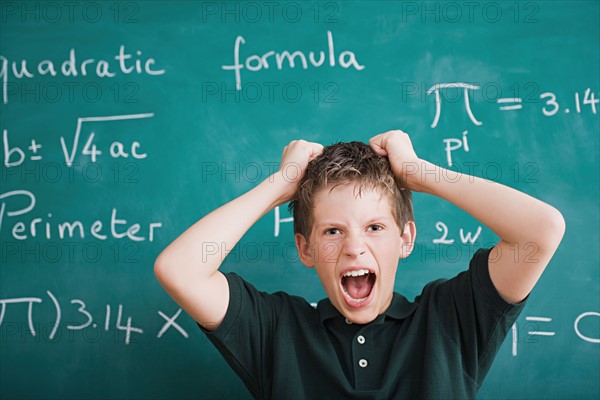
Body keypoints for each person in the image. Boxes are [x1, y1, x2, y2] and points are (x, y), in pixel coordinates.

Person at [154, 130, 565, 399]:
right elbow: (179, 269)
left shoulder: (450, 318)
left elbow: (541, 231)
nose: (354, 248)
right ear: (306, 249)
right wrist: (281, 183)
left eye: (374, 227)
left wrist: (419, 174)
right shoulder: (278, 330)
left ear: (405, 238)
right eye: (332, 231)